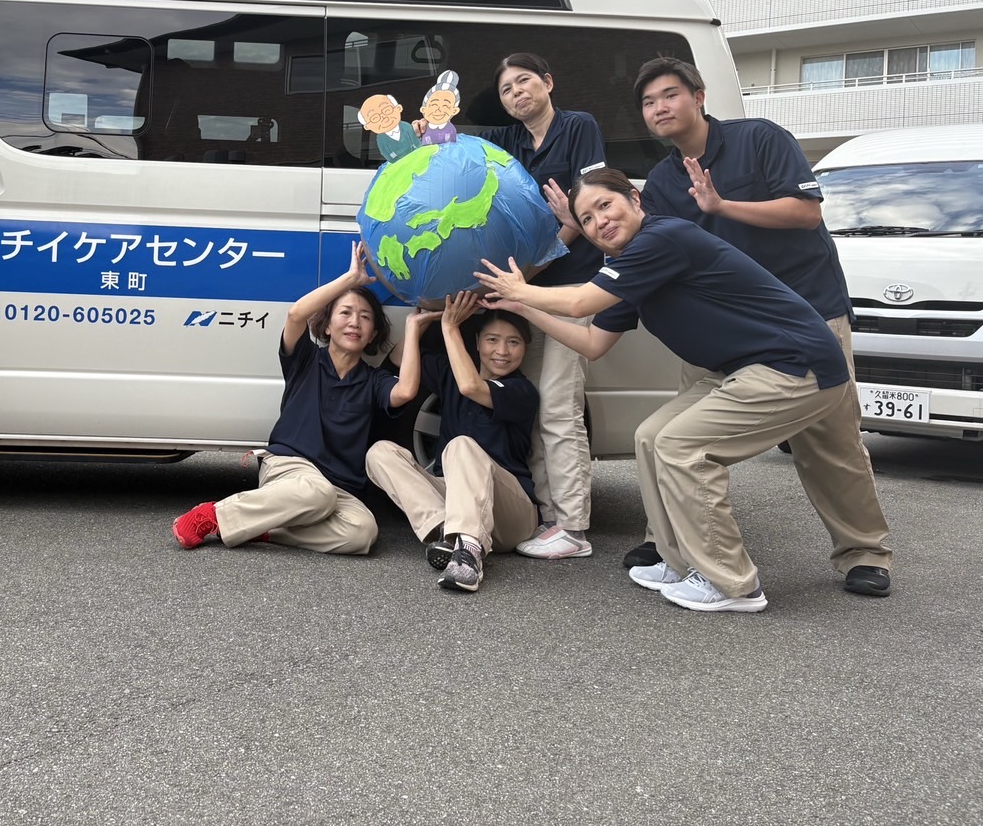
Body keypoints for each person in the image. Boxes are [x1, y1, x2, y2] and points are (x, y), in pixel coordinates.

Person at [475, 168, 893, 612]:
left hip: (796, 365)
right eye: (588, 219)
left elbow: (581, 302)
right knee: (651, 436)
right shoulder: (628, 266)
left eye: (605, 205)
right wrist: (524, 307)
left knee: (682, 446)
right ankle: (677, 559)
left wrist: (522, 288)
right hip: (744, 368)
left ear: (635, 200)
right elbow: (593, 343)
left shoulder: (663, 238)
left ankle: (731, 583)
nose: (600, 221)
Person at [615, 56, 889, 594]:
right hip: (721, 329)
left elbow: (806, 212)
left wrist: (722, 205)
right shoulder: (665, 180)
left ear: (699, 97)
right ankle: (669, 542)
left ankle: (864, 552)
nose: (659, 108)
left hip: (808, 314)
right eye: (648, 102)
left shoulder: (760, 138)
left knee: (830, 444)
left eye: (670, 95)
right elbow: (651, 249)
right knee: (673, 433)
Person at [172, 243, 419, 554]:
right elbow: (296, 314)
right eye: (345, 313)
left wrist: (413, 326)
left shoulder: (373, 381)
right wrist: (351, 279)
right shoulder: (305, 360)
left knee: (362, 531)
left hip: (338, 487)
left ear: (372, 334)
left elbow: (405, 391)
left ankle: (265, 530)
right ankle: (212, 516)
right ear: (326, 326)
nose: (355, 322)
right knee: (317, 493)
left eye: (365, 317)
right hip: (289, 470)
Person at [482, 53, 606, 560]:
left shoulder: (579, 127)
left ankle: (573, 528)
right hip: (527, 290)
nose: (517, 93)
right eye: (507, 89)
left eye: (524, 81)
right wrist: (427, 133)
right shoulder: (508, 140)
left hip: (570, 288)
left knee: (558, 405)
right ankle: (549, 516)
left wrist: (527, 276)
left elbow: (585, 207)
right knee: (534, 404)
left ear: (548, 83)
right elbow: (461, 150)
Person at [367, 291, 540, 592]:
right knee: (379, 453)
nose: (502, 351)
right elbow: (398, 360)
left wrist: (449, 326)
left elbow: (471, 386)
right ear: (477, 343)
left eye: (513, 342)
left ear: (525, 349)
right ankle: (447, 534)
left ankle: (469, 555)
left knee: (461, 445)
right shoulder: (451, 373)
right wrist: (413, 327)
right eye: (492, 340)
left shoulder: (521, 391)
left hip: (510, 515)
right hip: (458, 503)